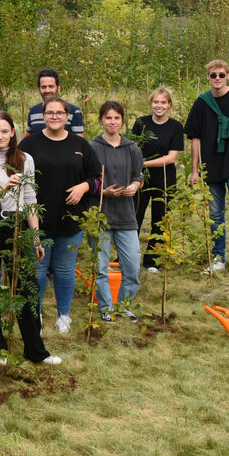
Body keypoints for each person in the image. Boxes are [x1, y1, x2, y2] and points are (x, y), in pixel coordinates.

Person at [0, 112, 60, 365]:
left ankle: (36, 351)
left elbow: (30, 199)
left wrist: (35, 237)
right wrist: (6, 186)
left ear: (13, 132)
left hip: (19, 226)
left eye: (4, 131)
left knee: (27, 288)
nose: (0, 136)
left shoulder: (25, 159)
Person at [18, 97, 101, 334]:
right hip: (37, 218)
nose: (55, 116)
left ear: (68, 116)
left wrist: (83, 187)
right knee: (39, 270)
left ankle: (64, 315)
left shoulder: (81, 145)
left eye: (60, 113)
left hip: (71, 219)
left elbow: (97, 177)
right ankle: (37, 315)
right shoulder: (30, 144)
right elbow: (16, 178)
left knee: (65, 270)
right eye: (50, 112)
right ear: (43, 115)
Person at [185, 59, 229, 277]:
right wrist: (194, 170)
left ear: (228, 75)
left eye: (221, 75)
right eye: (213, 75)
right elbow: (195, 137)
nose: (218, 79)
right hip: (211, 165)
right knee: (215, 215)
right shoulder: (202, 103)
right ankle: (219, 258)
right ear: (208, 77)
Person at [92, 101, 145, 320]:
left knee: (132, 266)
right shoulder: (92, 147)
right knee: (101, 267)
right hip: (100, 215)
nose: (112, 122)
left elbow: (138, 175)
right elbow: (87, 180)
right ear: (101, 120)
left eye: (116, 118)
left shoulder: (132, 148)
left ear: (122, 121)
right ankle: (105, 309)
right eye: (108, 118)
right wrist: (103, 192)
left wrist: (134, 186)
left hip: (126, 216)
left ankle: (123, 306)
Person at [132, 87, 184, 272]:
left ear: (169, 105)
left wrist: (145, 164)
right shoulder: (141, 123)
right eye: (156, 102)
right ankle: (128, 256)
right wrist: (137, 168)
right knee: (135, 216)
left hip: (164, 177)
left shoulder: (176, 127)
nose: (159, 105)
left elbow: (171, 158)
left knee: (159, 219)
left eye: (163, 102)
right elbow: (134, 148)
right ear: (151, 103)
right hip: (141, 178)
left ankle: (151, 260)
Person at [26, 68, 85, 137]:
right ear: (39, 89)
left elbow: (80, 143)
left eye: (51, 86)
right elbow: (28, 140)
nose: (47, 90)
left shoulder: (73, 111)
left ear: (58, 88)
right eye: (43, 87)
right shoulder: (33, 111)